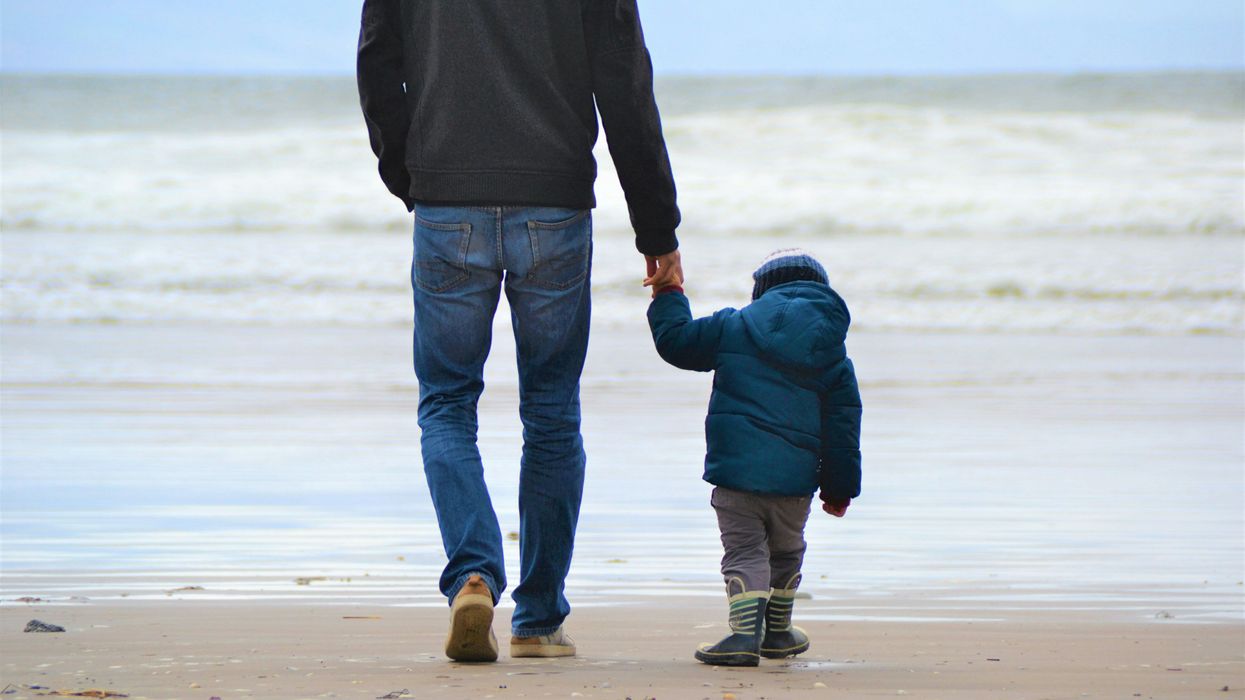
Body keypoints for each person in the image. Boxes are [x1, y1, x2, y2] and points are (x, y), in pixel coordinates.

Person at [357, 0, 683, 662]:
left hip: (447, 199)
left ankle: (474, 575)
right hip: (554, 205)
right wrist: (656, 227)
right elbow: (624, 83)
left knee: (447, 405)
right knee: (552, 413)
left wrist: (410, 174)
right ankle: (536, 619)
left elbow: (375, 65)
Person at [646, 248, 862, 667]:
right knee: (785, 551)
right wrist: (839, 488)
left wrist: (669, 290)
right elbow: (843, 428)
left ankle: (744, 634)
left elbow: (675, 341)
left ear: (761, 292)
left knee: (744, 551)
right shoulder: (832, 353)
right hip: (795, 484)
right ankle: (777, 633)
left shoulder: (734, 327)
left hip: (736, 476)